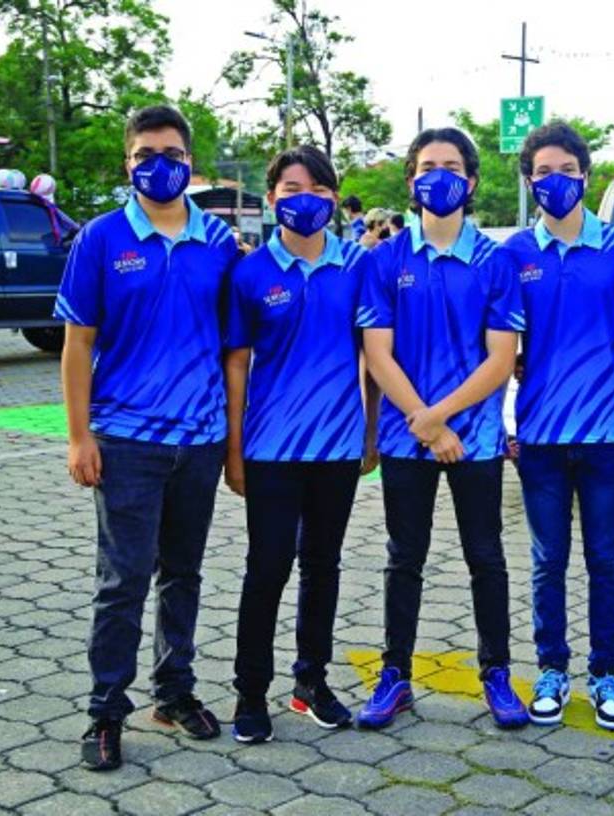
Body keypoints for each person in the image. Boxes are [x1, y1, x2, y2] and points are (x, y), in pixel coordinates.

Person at [55, 105, 239, 771]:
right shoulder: (101, 239)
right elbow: (78, 344)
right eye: (145, 155)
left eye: (172, 153)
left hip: (200, 439)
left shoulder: (219, 242)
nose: (159, 165)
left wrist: (234, 446)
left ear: (191, 162)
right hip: (126, 441)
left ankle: (175, 692)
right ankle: (106, 710)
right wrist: (80, 438)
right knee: (123, 579)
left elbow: (234, 351)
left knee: (183, 572)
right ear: (127, 164)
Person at [355, 127, 528, 730]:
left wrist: (440, 419)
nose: (440, 175)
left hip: (475, 441)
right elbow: (378, 354)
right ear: (411, 180)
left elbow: (501, 360)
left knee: (487, 556)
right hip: (410, 441)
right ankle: (395, 676)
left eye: (452, 165)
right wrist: (426, 427)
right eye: (428, 165)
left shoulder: (495, 261)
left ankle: (498, 674)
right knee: (405, 558)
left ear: (472, 181)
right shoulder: (385, 259)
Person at [223, 145, 380, 744]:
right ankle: (249, 692)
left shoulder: (357, 268)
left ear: (333, 199)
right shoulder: (251, 273)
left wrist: (368, 433)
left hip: (337, 449)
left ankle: (311, 680)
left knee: (322, 566)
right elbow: (237, 364)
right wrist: (234, 451)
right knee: (267, 567)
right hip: (269, 450)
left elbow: (372, 357)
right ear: (271, 199)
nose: (303, 199)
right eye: (290, 188)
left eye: (315, 188)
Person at [503, 121, 614, 730]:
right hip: (538, 436)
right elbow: (496, 339)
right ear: (529, 180)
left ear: (586, 175)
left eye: (567, 170)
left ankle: (605, 671)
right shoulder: (513, 253)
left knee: (605, 558)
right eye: (544, 172)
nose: (556, 181)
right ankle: (552, 668)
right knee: (546, 560)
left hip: (604, 437)